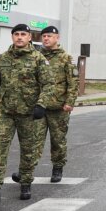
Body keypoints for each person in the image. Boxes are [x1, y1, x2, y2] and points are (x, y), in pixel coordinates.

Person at [0, 24, 48, 203]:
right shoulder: (3, 59)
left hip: (29, 113)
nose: (19, 37)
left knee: (28, 150)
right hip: (6, 112)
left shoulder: (38, 59)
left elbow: (48, 84)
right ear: (12, 37)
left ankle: (25, 183)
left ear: (29, 37)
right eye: (16, 34)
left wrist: (41, 105)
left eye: (23, 34)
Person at [31, 26, 77, 183]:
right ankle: (27, 170)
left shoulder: (65, 58)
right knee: (34, 140)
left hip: (59, 107)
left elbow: (73, 83)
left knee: (57, 140)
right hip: (40, 106)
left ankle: (57, 167)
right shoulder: (36, 56)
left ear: (57, 38)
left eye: (49, 36)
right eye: (43, 36)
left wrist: (69, 102)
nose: (45, 39)